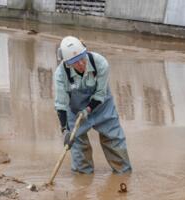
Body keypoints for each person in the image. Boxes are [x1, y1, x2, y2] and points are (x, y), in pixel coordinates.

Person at [53, 36, 132, 174]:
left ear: (85, 52)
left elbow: (100, 94)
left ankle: (123, 174)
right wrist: (65, 130)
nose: (81, 64)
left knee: (114, 139)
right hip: (75, 111)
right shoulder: (60, 75)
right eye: (75, 62)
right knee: (78, 148)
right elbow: (61, 105)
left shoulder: (100, 63)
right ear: (67, 63)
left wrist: (88, 110)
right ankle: (83, 180)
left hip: (102, 107)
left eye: (82, 58)